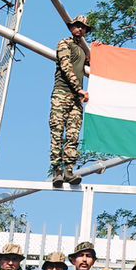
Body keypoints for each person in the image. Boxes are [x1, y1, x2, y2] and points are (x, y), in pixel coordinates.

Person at [50, 14, 91, 186]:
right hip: (62, 94)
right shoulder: (64, 44)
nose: (80, 29)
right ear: (72, 27)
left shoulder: (83, 51)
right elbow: (66, 68)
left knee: (73, 135)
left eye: (83, 27)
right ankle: (57, 171)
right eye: (78, 26)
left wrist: (98, 50)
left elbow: (96, 63)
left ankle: (69, 170)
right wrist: (79, 88)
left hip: (76, 99)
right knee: (57, 133)